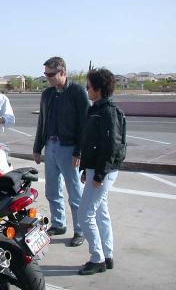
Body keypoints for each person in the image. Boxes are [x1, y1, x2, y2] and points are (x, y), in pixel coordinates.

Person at [33, 57, 89, 247]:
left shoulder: (77, 92)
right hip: (51, 146)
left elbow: (84, 124)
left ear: (63, 72)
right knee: (51, 189)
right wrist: (37, 147)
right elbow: (42, 121)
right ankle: (58, 223)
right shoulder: (47, 94)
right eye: (45, 74)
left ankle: (80, 230)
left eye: (51, 74)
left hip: (69, 148)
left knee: (75, 192)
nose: (47, 78)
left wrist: (79, 152)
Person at [78, 68, 126, 275]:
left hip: (103, 171)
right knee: (100, 212)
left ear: (98, 89)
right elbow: (91, 143)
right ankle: (107, 255)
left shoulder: (108, 112)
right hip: (95, 169)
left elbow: (111, 147)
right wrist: (86, 169)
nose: (86, 89)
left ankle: (97, 258)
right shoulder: (96, 108)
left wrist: (98, 174)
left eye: (88, 86)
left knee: (84, 215)